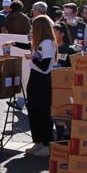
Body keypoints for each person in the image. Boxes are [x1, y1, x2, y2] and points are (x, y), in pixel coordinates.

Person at [19, 15, 57, 156]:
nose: (31, 29)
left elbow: (45, 66)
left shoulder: (47, 42)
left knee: (43, 112)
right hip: (35, 78)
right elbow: (29, 46)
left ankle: (47, 144)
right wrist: (13, 43)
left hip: (42, 80)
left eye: (33, 26)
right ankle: (38, 141)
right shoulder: (40, 41)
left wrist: (32, 58)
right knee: (33, 110)